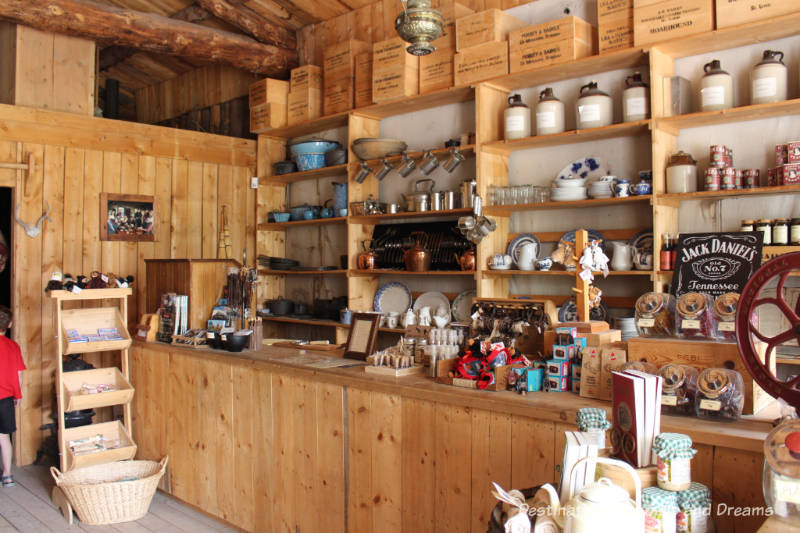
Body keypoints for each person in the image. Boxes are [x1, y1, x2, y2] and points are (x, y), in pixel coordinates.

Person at [0, 306, 25, 487]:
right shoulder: (13, 346)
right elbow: (18, 375)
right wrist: (18, 394)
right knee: (3, 437)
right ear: (9, 325)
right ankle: (7, 475)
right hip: (6, 397)